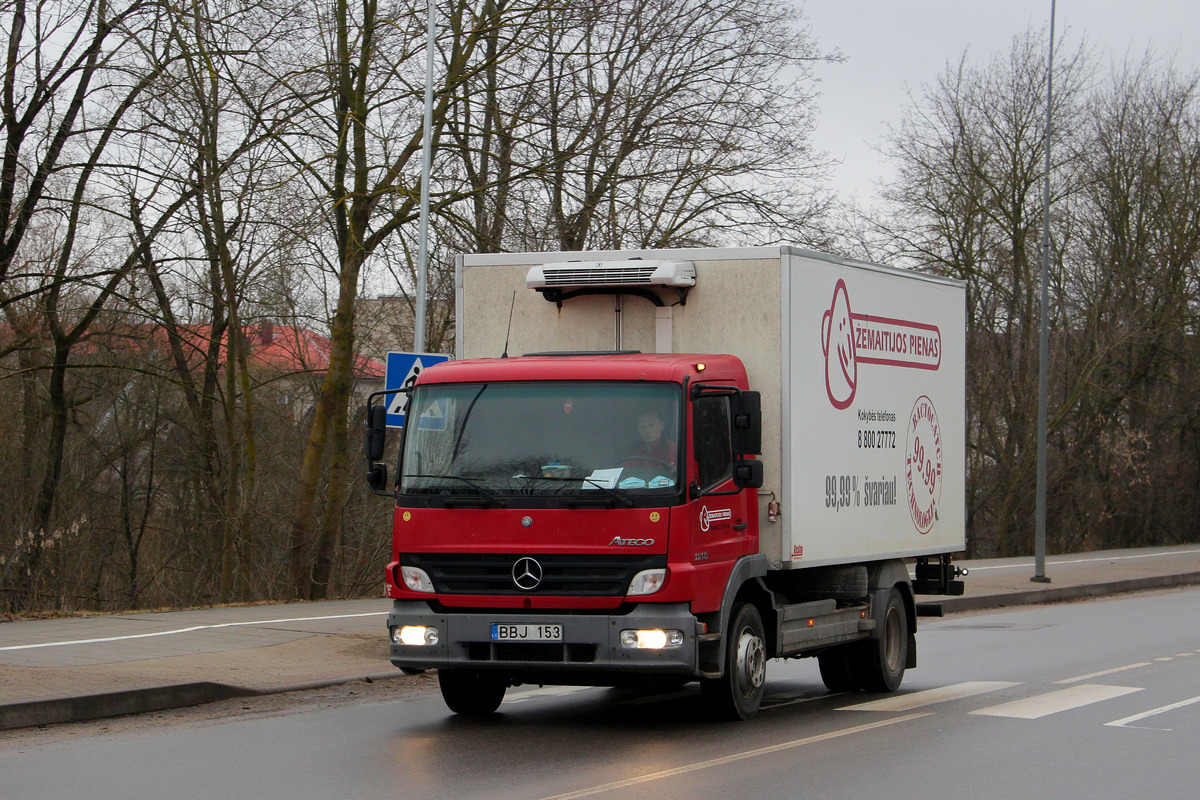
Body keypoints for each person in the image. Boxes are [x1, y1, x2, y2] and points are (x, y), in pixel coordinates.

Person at [623, 410, 677, 475]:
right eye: (642, 427)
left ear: (661, 426)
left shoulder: (673, 450)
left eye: (651, 426)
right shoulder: (633, 454)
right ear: (638, 429)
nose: (647, 431)